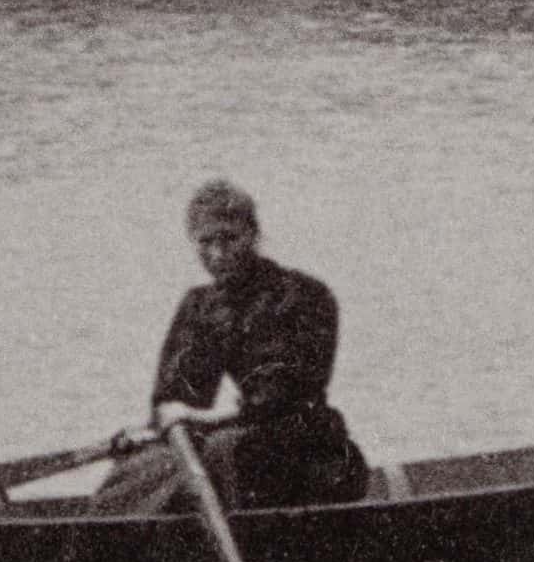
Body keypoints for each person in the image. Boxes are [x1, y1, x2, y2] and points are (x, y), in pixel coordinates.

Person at [103, 179, 368, 514]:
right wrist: (152, 431)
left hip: (309, 449)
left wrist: (198, 419)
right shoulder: (201, 307)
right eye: (205, 242)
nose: (217, 254)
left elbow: (278, 397)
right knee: (139, 465)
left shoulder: (301, 296)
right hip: (240, 441)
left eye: (229, 239)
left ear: (253, 235)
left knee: (227, 449)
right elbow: (177, 400)